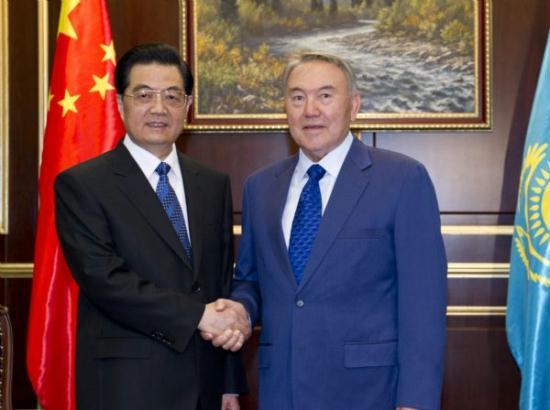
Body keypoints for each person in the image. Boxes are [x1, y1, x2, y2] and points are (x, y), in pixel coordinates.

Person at [225, 52, 448, 409]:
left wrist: (416, 401)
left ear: (353, 105)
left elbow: (423, 304)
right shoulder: (260, 187)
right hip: (282, 391)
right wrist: (240, 312)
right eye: (297, 97)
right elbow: (251, 280)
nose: (310, 109)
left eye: (325, 96)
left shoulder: (403, 179)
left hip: (369, 393)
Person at [54, 43, 248, 410]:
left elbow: (221, 283)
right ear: (120, 103)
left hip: (206, 386)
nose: (159, 108)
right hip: (127, 385)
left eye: (172, 96)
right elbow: (105, 280)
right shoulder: (83, 184)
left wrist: (229, 385)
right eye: (144, 95)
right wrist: (198, 315)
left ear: (187, 107)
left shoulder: (212, 184)